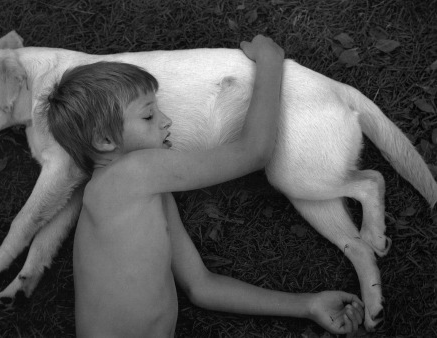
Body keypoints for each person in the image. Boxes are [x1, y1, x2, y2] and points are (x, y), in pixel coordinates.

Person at [42, 35, 364, 338]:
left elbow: (202, 286)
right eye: (149, 115)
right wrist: (270, 63)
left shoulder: (140, 195)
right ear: (105, 140)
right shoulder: (132, 173)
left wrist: (308, 305)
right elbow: (252, 152)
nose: (167, 121)